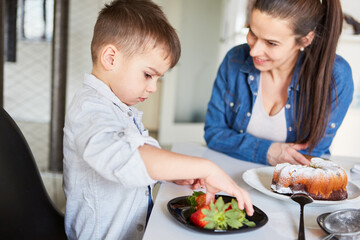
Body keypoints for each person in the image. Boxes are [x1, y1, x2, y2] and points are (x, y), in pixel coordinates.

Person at [63, 0, 253, 239]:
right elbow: (127, 156)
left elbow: (137, 163)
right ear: (111, 58)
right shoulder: (89, 110)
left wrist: (168, 172)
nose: (153, 87)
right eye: (148, 75)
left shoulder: (118, 105)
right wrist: (205, 167)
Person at [204, 0, 354, 166]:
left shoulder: (334, 75)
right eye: (252, 33)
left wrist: (248, 148)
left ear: (305, 39)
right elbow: (214, 133)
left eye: (271, 43)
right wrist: (267, 151)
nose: (254, 51)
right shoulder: (235, 59)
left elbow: (310, 154)